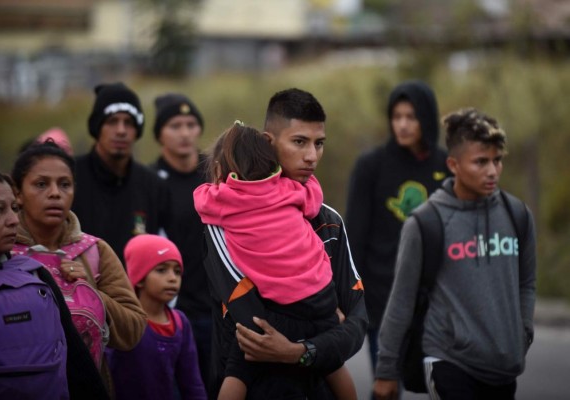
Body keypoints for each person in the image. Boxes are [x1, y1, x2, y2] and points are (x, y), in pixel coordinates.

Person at [203, 88, 368, 399]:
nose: (312, 156)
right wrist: (319, 337)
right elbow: (251, 319)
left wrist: (301, 352)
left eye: (319, 144)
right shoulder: (224, 227)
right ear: (269, 142)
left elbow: (358, 321)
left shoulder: (329, 222)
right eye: (299, 142)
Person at [373, 108, 536, 400]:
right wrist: (385, 369)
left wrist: (521, 335)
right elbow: (402, 299)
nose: (492, 171)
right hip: (449, 361)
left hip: (504, 366)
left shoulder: (517, 215)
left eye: (497, 161)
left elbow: (526, 283)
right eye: (481, 162)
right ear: (453, 164)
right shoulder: (425, 223)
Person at [10, 141, 147, 394]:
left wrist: (91, 292)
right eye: (41, 184)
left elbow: (133, 329)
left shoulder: (94, 251)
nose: (54, 193)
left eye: (65, 184)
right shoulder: (5, 252)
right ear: (17, 193)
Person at [345, 79, 451, 373]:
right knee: (387, 385)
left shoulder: (448, 166)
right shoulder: (371, 166)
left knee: (446, 385)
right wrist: (353, 298)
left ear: (426, 118)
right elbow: (354, 237)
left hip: (436, 302)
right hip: (383, 299)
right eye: (397, 116)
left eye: (411, 116)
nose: (402, 125)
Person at [0, 169, 109, 400]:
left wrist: (90, 292)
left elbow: (78, 365)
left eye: (14, 209)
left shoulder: (35, 273)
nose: (13, 220)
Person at [150, 93, 212, 389]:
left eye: (191, 124)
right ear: (159, 134)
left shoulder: (217, 173)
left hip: (221, 305)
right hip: (175, 309)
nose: (185, 133)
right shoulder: (150, 180)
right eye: (176, 125)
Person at [72, 82, 170, 262]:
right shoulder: (70, 178)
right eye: (112, 121)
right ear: (97, 127)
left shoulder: (153, 186)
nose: (121, 131)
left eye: (129, 123)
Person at [107, 234, 207, 400]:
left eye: (177, 271)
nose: (172, 278)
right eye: (161, 270)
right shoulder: (123, 319)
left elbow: (192, 384)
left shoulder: (180, 323)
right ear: (139, 278)